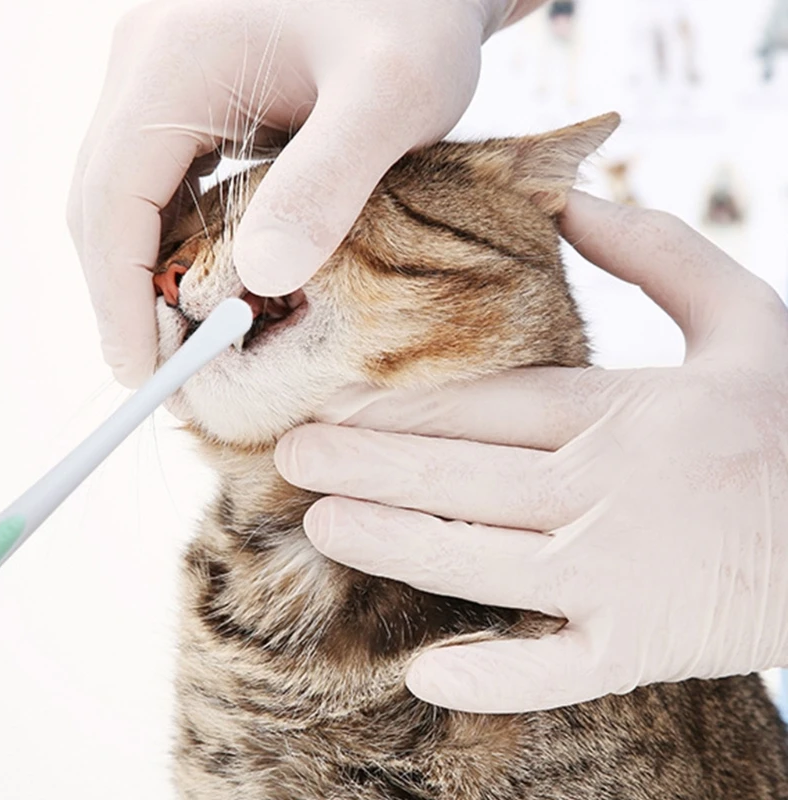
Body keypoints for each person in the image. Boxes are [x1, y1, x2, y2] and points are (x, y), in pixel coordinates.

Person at [67, 0, 788, 714]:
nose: (176, 276)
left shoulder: (642, 569)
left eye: (255, 209)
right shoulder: (209, 593)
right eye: (176, 246)